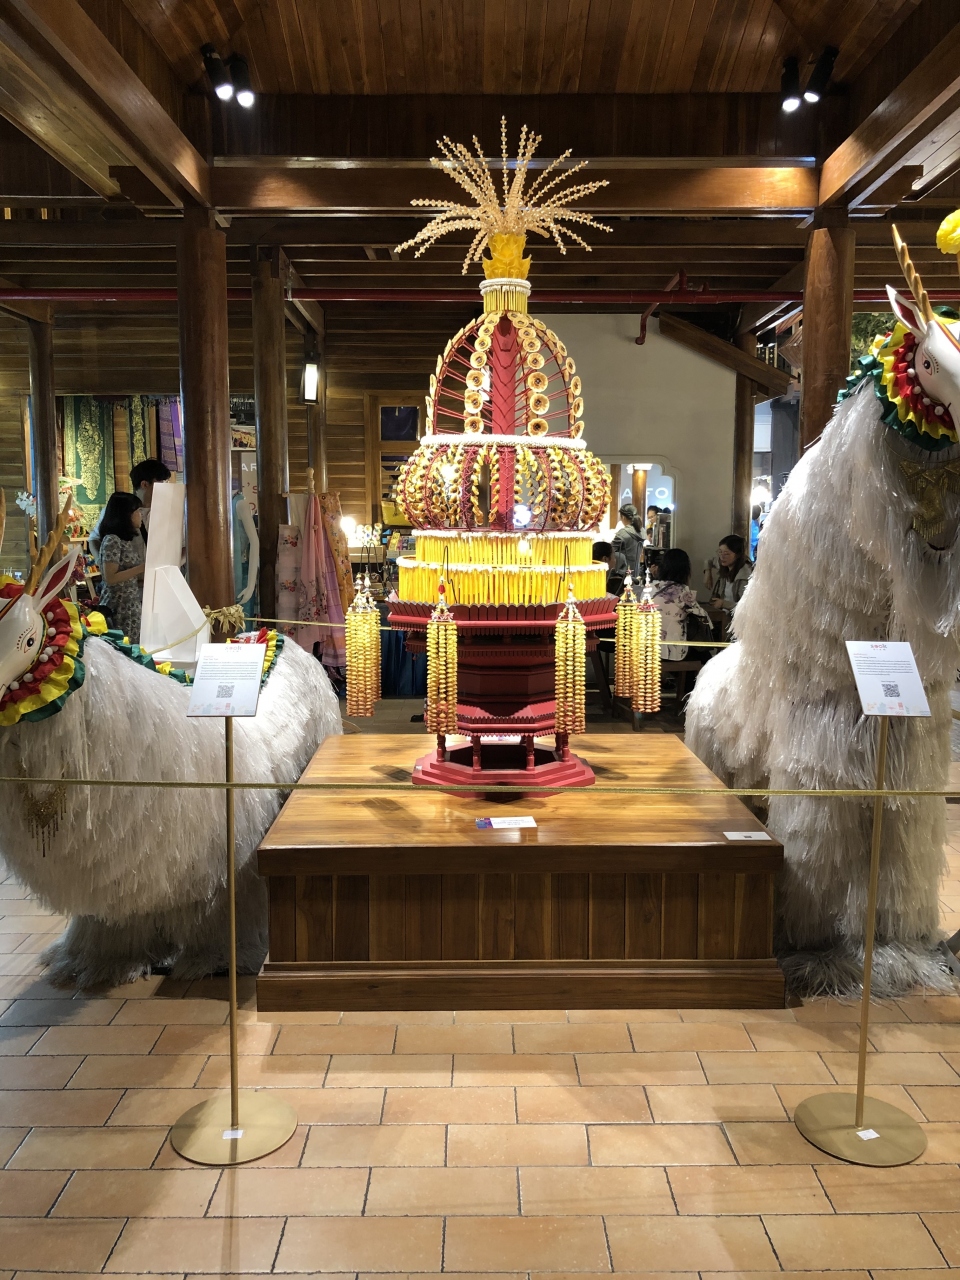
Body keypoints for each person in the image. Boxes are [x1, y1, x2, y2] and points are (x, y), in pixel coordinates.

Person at [88, 458, 171, 558]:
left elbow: (182, 545)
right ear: (144, 484)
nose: (164, 489)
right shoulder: (117, 509)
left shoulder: (167, 511)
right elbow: (94, 539)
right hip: (126, 568)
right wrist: (101, 561)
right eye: (161, 484)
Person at [97, 491, 146, 642]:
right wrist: (142, 568)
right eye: (138, 511)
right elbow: (110, 578)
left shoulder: (125, 540)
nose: (140, 515)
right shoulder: (112, 540)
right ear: (126, 514)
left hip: (130, 605)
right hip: (119, 608)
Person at [650, 548, 712, 661]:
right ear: (685, 570)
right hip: (671, 651)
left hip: (649, 649)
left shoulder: (652, 587)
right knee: (705, 656)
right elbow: (704, 617)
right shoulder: (680, 591)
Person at [704, 533, 753, 616]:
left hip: (737, 618)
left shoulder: (744, 576)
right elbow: (708, 561)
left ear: (737, 555)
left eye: (726, 553)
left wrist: (723, 603)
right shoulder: (725, 565)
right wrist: (707, 573)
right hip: (723, 614)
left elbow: (746, 607)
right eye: (720, 552)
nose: (722, 557)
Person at [611, 503, 645, 580]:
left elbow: (610, 551)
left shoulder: (623, 532)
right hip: (636, 572)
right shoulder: (642, 531)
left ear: (623, 517)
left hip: (621, 574)